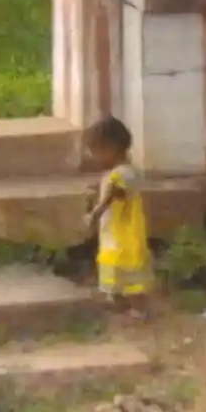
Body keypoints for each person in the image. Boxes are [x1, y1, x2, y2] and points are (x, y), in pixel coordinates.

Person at [83, 116, 153, 310]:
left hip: (124, 233)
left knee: (129, 273)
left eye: (96, 151)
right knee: (117, 268)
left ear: (110, 148)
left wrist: (96, 212)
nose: (94, 157)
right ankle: (120, 303)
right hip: (115, 232)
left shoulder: (123, 174)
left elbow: (116, 194)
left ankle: (138, 309)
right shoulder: (119, 172)